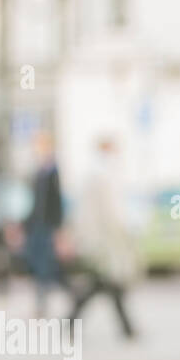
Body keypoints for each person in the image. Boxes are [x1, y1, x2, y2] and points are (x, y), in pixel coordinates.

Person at [68, 136, 138, 339]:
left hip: (100, 239)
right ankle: (126, 328)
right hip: (106, 241)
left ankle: (126, 328)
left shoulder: (95, 173)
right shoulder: (103, 175)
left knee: (105, 283)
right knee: (104, 282)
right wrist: (124, 233)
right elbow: (112, 212)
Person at [22, 128, 71, 318]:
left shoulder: (53, 171)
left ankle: (43, 304)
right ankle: (62, 296)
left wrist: (58, 229)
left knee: (46, 266)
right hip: (36, 227)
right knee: (39, 264)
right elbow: (34, 203)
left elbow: (56, 202)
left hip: (47, 227)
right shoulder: (38, 172)